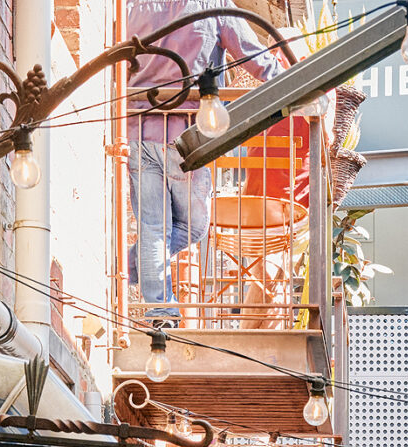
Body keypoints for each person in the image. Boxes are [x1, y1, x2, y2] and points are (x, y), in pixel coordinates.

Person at [124, 0, 289, 308]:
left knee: (153, 228)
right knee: (194, 226)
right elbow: (254, 57)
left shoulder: (131, 7)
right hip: (189, 136)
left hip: (138, 130)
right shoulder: (213, 5)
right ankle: (130, 272)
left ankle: (158, 306)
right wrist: (295, 86)